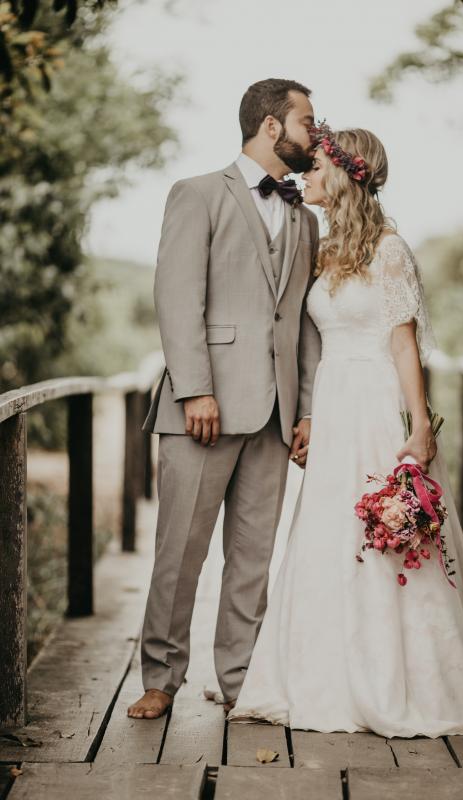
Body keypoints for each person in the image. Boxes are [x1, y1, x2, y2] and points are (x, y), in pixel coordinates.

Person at [228, 125, 463, 737]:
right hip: (333, 404)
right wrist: (307, 413)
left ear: (346, 173)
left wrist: (419, 429)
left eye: (315, 167)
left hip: (377, 404)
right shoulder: (325, 247)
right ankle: (316, 673)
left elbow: (404, 344)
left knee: (386, 530)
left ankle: (397, 678)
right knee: (326, 533)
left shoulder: (388, 249)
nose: (305, 174)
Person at [127, 79, 322, 719]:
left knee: (251, 557)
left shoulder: (305, 218)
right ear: (272, 126)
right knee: (180, 551)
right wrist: (196, 389)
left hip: (274, 414)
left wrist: (308, 410)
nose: (314, 135)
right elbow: (176, 298)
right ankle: (161, 676)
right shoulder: (197, 194)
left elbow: (302, 323)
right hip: (200, 410)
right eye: (307, 123)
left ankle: (239, 679)